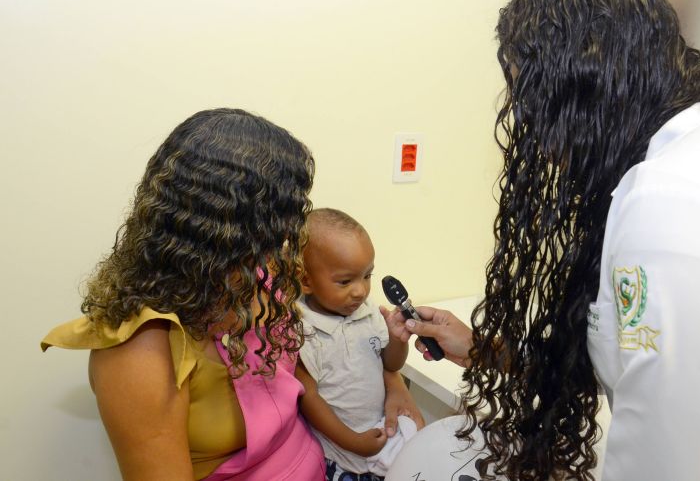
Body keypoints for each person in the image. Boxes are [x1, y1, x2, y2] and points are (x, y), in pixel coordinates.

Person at [389, 0, 700, 481]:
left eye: (534, 105)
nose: (533, 133)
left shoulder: (674, 209)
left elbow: (667, 466)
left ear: (581, 92)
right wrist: (484, 350)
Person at [41, 109, 422, 480]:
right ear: (230, 228)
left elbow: (343, 331)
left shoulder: (261, 276)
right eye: (280, 218)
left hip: (323, 462)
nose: (288, 234)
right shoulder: (139, 351)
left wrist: (393, 383)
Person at [295, 208, 418, 481]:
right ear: (306, 280)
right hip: (341, 452)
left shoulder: (367, 310)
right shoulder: (303, 329)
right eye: (345, 281)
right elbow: (308, 399)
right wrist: (353, 441)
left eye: (367, 276)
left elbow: (391, 364)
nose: (361, 290)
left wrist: (398, 340)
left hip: (381, 433)